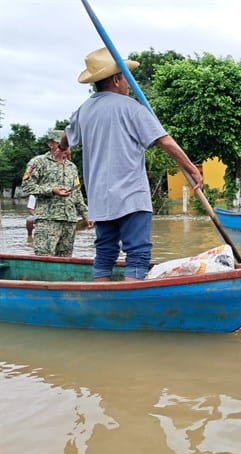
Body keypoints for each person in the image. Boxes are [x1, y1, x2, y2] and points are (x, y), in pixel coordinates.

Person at [60, 47, 203, 281]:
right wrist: (191, 168)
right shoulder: (133, 109)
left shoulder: (82, 112)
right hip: (131, 197)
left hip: (100, 199)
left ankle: (102, 297)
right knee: (137, 254)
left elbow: (66, 136)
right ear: (117, 79)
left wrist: (65, 145)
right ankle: (131, 297)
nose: (128, 83)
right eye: (126, 77)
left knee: (105, 253)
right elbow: (165, 141)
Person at [21, 129, 92, 256]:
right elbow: (26, 186)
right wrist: (51, 190)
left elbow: (77, 194)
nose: (65, 147)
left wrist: (86, 215)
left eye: (68, 144)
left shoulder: (72, 167)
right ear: (50, 144)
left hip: (69, 222)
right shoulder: (38, 162)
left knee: (65, 261)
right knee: (44, 258)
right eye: (61, 143)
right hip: (48, 221)